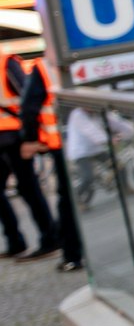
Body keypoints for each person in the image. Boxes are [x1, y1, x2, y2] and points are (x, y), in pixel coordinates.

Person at [17, 53, 83, 272]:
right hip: (99, 135)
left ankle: (73, 255)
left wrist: (30, 139)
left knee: (68, 199)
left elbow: (29, 107)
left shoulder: (44, 66)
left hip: (63, 143)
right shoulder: (88, 55)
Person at [0, 49, 58, 260]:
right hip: (5, 138)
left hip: (14, 136)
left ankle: (50, 239)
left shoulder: (5, 62)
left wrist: (29, 138)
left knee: (28, 188)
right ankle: (15, 242)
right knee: (23, 188)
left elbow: (27, 98)